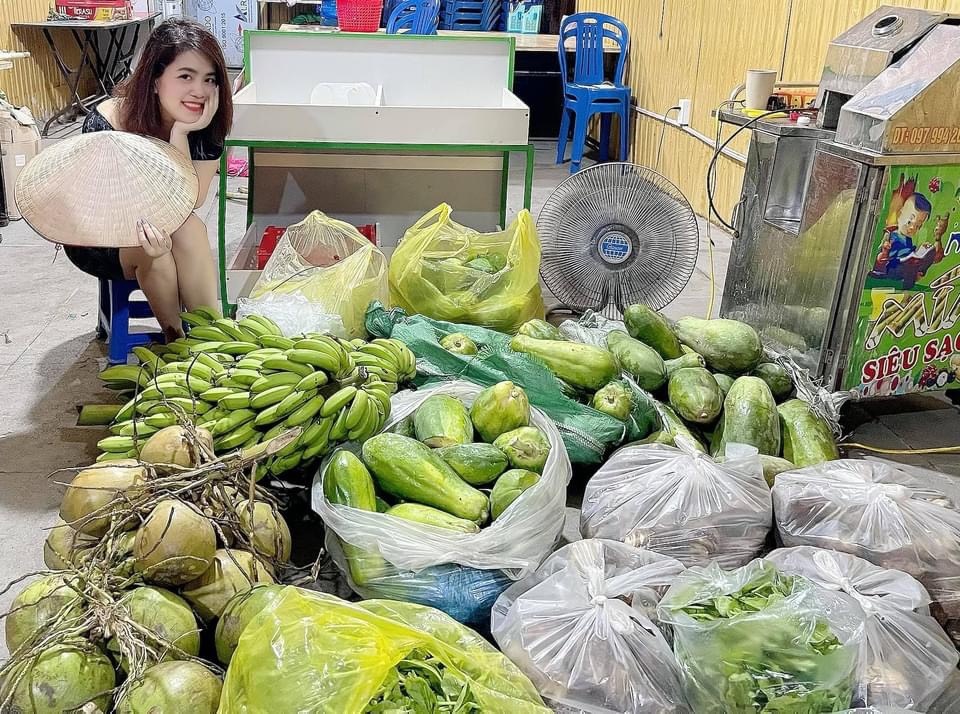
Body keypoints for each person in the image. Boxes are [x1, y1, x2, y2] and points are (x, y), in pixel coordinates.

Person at [63, 19, 233, 341]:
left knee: (190, 226)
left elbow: (191, 201)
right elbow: (94, 212)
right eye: (186, 76)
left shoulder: (205, 123)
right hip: (100, 234)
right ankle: (175, 339)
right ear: (155, 80)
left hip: (161, 222)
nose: (200, 91)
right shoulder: (107, 124)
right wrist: (150, 235)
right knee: (151, 250)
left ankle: (214, 337)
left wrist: (180, 133)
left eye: (209, 79)